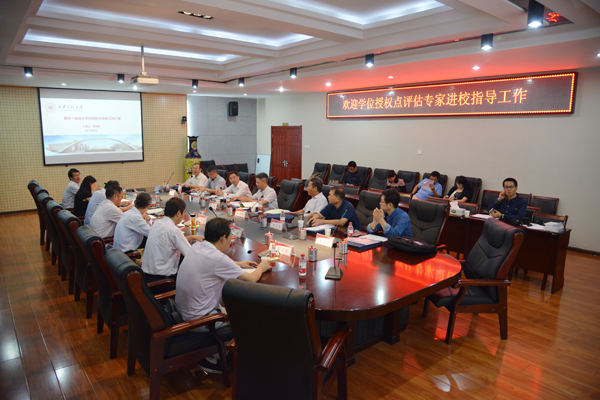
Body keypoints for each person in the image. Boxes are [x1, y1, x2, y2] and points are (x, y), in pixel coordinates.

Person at [141, 197, 204, 282]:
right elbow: (190, 255)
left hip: (146, 276)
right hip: (163, 281)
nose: (183, 216)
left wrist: (193, 237)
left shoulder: (157, 223)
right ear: (178, 213)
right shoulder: (174, 230)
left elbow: (171, 242)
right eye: (183, 213)